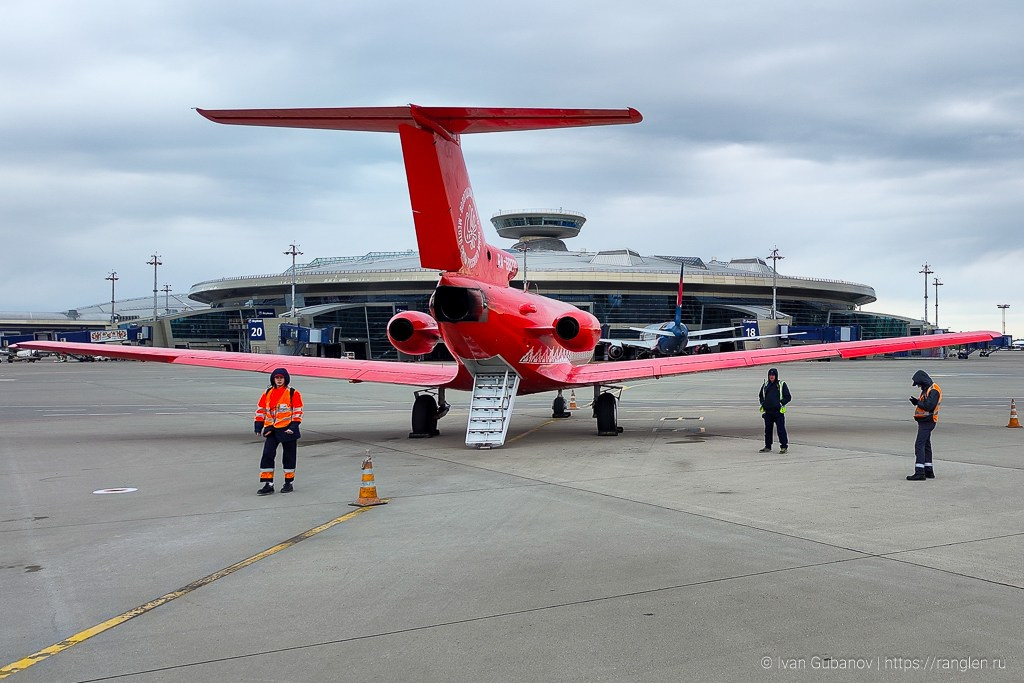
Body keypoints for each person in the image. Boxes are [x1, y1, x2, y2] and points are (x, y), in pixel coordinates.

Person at [254, 368, 303, 495]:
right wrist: (258, 425)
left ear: (286, 379)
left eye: (281, 377)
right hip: (272, 430)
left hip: (288, 430)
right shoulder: (267, 393)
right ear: (273, 379)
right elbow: (261, 410)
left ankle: (288, 482)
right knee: (267, 455)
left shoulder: (293, 393)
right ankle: (268, 483)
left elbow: (298, 411)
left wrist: (293, 426)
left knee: (289, 457)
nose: (279, 380)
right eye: (277, 378)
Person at [907, 369, 941, 481]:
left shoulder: (934, 390)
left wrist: (918, 403)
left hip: (928, 421)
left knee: (919, 445)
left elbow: (930, 406)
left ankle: (919, 472)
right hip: (925, 421)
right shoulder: (928, 389)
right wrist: (917, 402)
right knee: (926, 445)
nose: (918, 387)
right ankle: (928, 470)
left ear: (923, 381)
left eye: (919, 384)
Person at [758, 367, 791, 453]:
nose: (771, 376)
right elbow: (761, 396)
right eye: (770, 375)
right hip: (768, 412)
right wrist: (763, 404)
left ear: (776, 376)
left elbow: (788, 397)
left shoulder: (781, 384)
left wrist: (780, 403)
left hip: (778, 412)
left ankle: (784, 447)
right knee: (768, 430)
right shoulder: (765, 385)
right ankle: (768, 446)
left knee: (781, 430)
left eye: (773, 375)